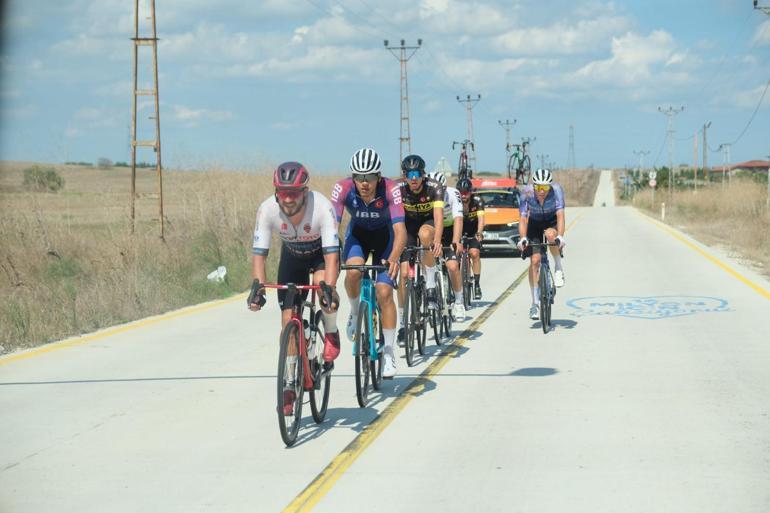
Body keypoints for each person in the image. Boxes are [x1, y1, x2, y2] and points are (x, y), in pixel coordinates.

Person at [249, 162, 341, 415]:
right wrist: (258, 288)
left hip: (321, 256)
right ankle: (290, 384)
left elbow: (332, 255)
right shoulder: (267, 210)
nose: (288, 199)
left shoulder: (322, 207)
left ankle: (331, 331)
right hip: (292, 258)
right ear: (276, 191)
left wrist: (329, 289)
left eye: (294, 193)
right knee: (287, 322)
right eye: (283, 192)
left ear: (305, 191)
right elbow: (260, 255)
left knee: (325, 297)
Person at [332, 148, 406, 378]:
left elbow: (400, 231)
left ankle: (389, 353)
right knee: (353, 272)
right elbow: (331, 228)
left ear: (379, 176)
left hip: (386, 238)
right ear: (352, 177)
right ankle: (355, 313)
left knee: (384, 292)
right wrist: (331, 255)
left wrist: (393, 258)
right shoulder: (342, 188)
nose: (364, 183)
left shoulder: (391, 188)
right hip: (359, 236)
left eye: (370, 177)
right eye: (359, 177)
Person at [397, 155, 445, 344]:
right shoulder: (398, 189)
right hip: (407, 226)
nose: (414, 178)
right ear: (404, 176)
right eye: (410, 174)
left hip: (428, 222)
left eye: (417, 174)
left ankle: (431, 286)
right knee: (402, 275)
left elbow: (439, 216)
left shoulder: (434, 187)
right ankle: (402, 324)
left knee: (425, 235)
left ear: (423, 175)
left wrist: (438, 240)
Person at [516, 168, 566, 320]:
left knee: (551, 236)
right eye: (538, 187)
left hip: (551, 221)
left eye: (544, 187)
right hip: (534, 224)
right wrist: (523, 238)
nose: (541, 191)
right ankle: (534, 303)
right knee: (535, 261)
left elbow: (560, 215)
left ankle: (558, 267)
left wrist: (561, 236)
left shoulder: (556, 190)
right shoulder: (527, 192)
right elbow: (523, 218)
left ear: (550, 186)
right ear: (534, 186)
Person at [426, 171, 466, 321]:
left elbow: (458, 220)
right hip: (433, 228)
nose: (438, 193)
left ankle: (459, 302)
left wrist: (456, 242)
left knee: (453, 266)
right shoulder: (427, 195)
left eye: (441, 190)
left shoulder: (453, 194)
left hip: (449, 230)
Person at [457, 178, 485, 300]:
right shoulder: (455, 201)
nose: (464, 195)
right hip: (459, 230)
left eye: (466, 192)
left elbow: (481, 219)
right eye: (461, 192)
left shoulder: (477, 200)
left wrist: (479, 232)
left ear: (470, 192)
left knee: (474, 253)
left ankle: (477, 284)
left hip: (473, 231)